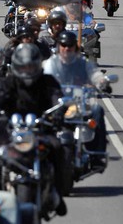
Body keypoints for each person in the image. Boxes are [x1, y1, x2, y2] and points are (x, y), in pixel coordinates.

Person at [0, 43, 68, 216]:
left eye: (31, 66)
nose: (27, 71)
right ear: (17, 66)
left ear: (38, 65)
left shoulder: (47, 82)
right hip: (12, 132)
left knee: (57, 147)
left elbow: (57, 98)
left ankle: (58, 192)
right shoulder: (8, 82)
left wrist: (58, 113)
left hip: (41, 130)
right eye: (24, 67)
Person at [42, 31, 110, 169]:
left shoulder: (83, 63)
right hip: (56, 103)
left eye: (70, 45)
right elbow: (40, 76)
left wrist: (101, 81)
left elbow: (94, 73)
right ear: (58, 46)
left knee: (97, 110)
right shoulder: (49, 64)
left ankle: (97, 154)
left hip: (78, 102)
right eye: (64, 45)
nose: (67, 48)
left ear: (75, 47)